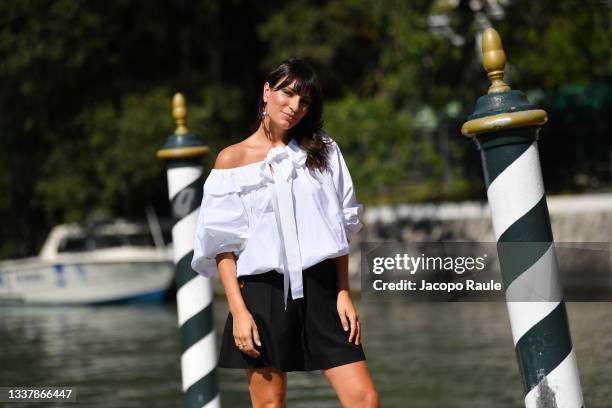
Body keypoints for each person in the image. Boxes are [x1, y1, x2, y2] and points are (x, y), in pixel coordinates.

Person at [192, 57, 379, 408]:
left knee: (365, 399)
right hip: (262, 294)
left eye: (304, 100)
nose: (294, 106)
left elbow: (340, 225)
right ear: (267, 91)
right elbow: (223, 247)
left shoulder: (323, 149)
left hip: (323, 290)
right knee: (270, 404)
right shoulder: (231, 161)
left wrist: (343, 292)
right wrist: (239, 311)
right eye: (288, 94)